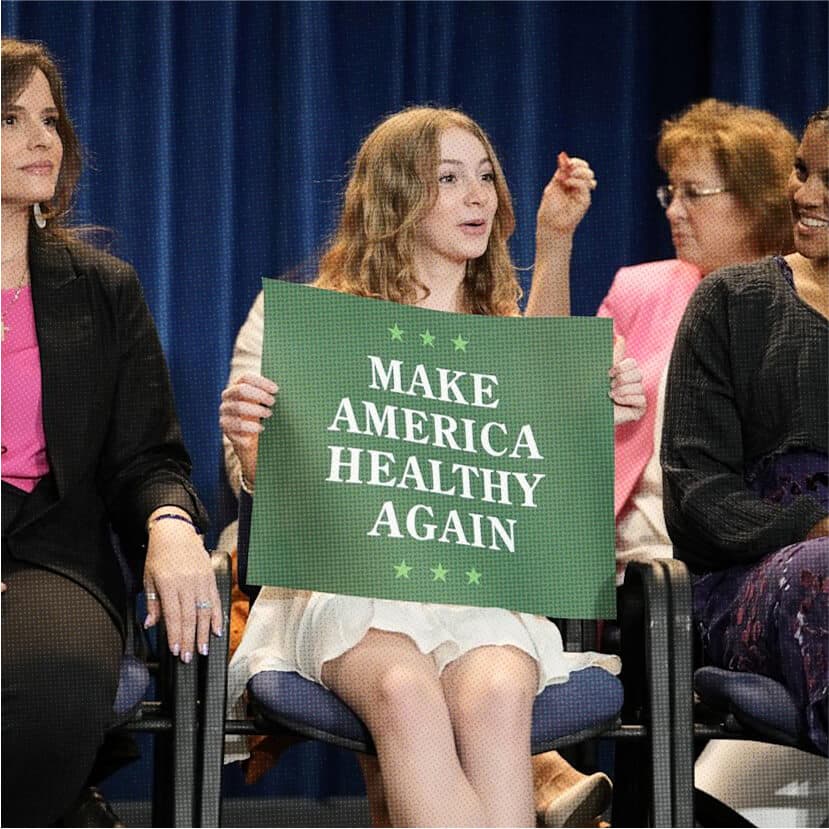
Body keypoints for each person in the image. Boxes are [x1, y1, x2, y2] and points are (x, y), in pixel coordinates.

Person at [221, 106, 645, 827]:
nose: (477, 196)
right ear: (394, 197)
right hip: (348, 588)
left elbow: (540, 412)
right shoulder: (309, 322)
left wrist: (589, 389)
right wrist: (253, 441)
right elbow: (264, 486)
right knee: (405, 691)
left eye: (484, 176)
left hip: (478, 593)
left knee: (499, 695)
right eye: (448, 179)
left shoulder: (496, 326)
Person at [1, 38, 221, 827]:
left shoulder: (102, 288)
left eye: (51, 120)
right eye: (11, 118)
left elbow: (148, 456)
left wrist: (168, 521)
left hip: (52, 551)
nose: (42, 141)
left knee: (57, 674)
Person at [661, 110, 829, 756]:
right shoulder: (733, 302)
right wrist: (809, 528)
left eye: (828, 180)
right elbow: (696, 491)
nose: (805, 194)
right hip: (756, 579)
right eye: (800, 171)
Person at [596, 98, 797, 584]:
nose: (675, 212)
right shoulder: (640, 289)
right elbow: (555, 410)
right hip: (633, 569)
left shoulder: (801, 305)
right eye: (672, 192)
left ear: (756, 202)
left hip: (755, 566)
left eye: (694, 193)